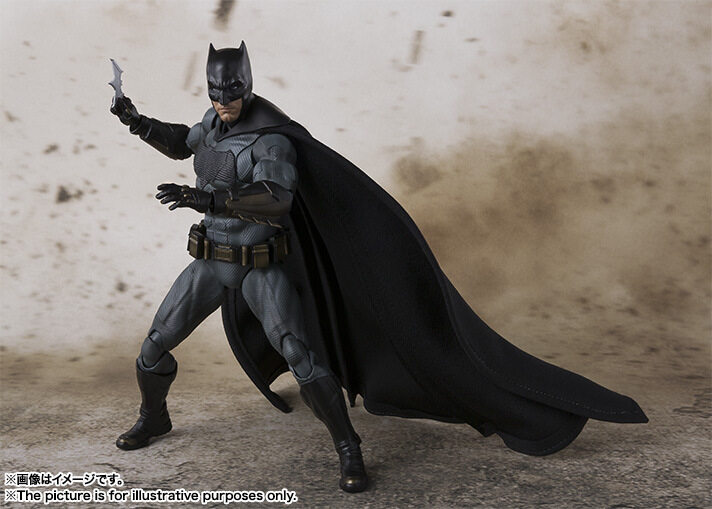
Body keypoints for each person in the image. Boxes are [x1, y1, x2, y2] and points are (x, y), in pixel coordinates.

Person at [110, 42, 647, 494]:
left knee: (301, 355)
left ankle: (348, 444)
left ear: (247, 86)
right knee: (153, 346)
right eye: (215, 92)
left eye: (232, 92)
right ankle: (155, 416)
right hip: (210, 263)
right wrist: (136, 122)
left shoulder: (271, 139)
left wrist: (206, 200)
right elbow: (182, 142)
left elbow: (275, 198)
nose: (223, 102)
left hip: (259, 269)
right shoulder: (211, 125)